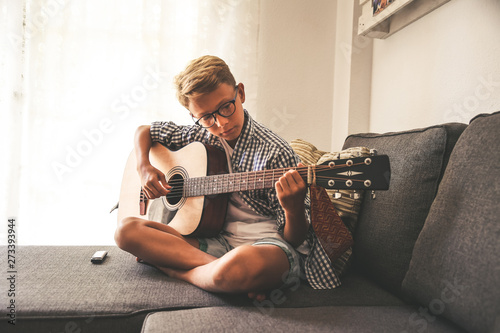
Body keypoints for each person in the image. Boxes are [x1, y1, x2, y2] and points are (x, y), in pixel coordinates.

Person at [114, 56, 340, 300]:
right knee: (125, 231)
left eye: (225, 107)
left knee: (243, 262)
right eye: (207, 117)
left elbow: (295, 240)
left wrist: (293, 208)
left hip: (266, 249)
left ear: (240, 93)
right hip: (215, 243)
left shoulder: (276, 151)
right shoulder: (201, 134)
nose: (221, 123)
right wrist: (144, 167)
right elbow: (144, 130)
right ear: (193, 116)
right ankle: (219, 273)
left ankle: (178, 271)